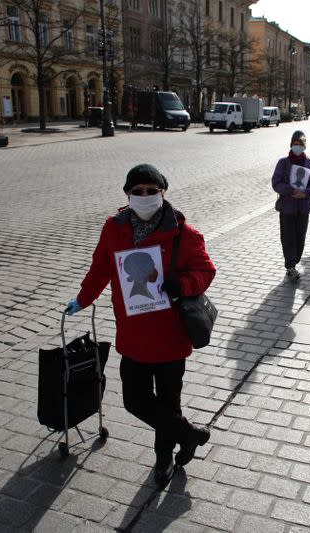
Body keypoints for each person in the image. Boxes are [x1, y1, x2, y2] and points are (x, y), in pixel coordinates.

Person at [65, 164, 216, 488]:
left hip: (171, 337)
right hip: (133, 335)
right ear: (127, 195)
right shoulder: (114, 228)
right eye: (138, 191)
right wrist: (83, 299)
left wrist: (182, 285)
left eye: (152, 191)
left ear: (163, 192)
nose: (144, 197)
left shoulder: (183, 233)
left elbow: (206, 270)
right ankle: (189, 435)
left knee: (168, 402)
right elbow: (100, 269)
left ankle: (164, 458)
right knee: (134, 400)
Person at [272, 130, 310, 281]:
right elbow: (276, 183)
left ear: (305, 146)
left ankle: (295, 261)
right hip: (287, 208)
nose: (298, 146)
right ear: (291, 144)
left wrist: (305, 193)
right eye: (295, 144)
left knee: (300, 238)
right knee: (288, 238)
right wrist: (290, 190)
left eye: (300, 144)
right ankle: (290, 266)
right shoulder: (283, 163)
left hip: (303, 208)